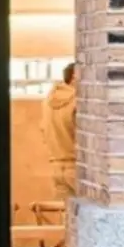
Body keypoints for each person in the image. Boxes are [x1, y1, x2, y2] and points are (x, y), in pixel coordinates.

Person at [41, 63, 76, 199]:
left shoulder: (47, 102)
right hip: (76, 167)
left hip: (56, 168)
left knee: (67, 217)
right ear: (75, 76)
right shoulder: (78, 102)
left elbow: (43, 132)